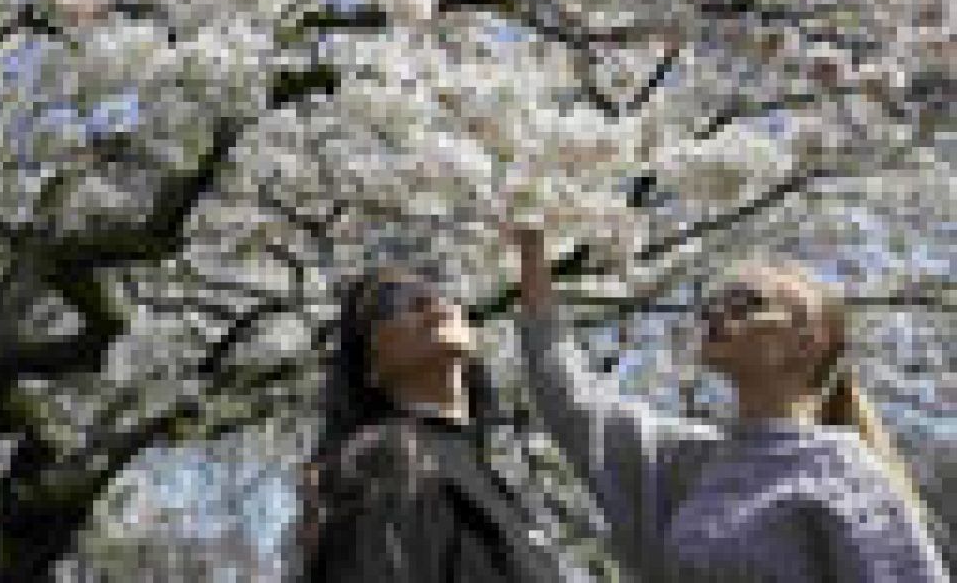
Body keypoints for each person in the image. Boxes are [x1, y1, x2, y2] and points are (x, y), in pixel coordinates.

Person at [508, 225, 951, 583]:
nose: (719, 315)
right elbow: (572, 403)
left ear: (808, 341)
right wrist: (533, 248)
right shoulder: (693, 461)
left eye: (746, 304)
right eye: (715, 305)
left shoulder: (844, 472)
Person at [289, 238, 562, 582]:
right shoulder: (378, 464)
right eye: (393, 301)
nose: (430, 299)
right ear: (369, 367)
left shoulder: (494, 480)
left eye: (441, 285)